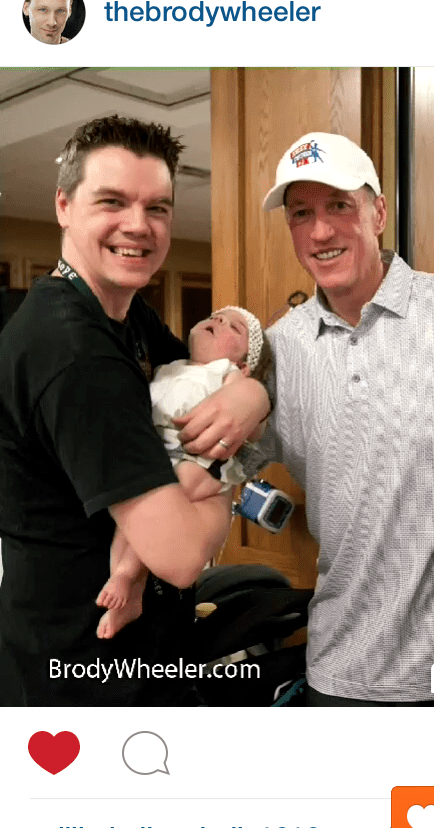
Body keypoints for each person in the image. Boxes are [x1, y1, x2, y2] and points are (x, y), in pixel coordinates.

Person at [179, 132, 434, 706]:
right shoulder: (279, 351)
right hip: (339, 672)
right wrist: (228, 390)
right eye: (301, 213)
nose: (321, 231)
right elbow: (199, 481)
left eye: (339, 206)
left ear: (378, 213)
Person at [0, 115, 270, 705]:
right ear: (64, 205)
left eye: (158, 208)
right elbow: (182, 557)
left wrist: (252, 395)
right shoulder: (74, 353)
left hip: (144, 656)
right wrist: (227, 467)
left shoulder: (124, 314)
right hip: (81, 672)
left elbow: (201, 382)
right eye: (112, 201)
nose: (138, 225)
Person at [96, 306, 271, 639]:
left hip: (199, 463)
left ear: (243, 364)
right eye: (216, 317)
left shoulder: (228, 374)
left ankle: (126, 576)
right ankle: (128, 587)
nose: (219, 321)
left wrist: (253, 395)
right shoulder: (169, 368)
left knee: (159, 505)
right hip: (158, 457)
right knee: (131, 518)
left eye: (233, 327)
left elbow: (253, 425)